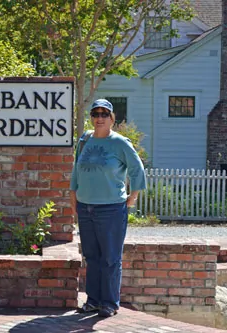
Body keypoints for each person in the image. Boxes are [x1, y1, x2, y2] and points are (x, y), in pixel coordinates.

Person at [70, 99, 146, 317]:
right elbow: (77, 167)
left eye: (104, 114)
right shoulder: (84, 140)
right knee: (92, 257)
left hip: (111, 209)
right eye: (96, 114)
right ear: (91, 117)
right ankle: (93, 301)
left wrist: (133, 195)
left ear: (112, 118)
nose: (99, 118)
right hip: (86, 207)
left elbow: (137, 169)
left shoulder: (120, 143)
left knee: (110, 258)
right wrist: (72, 193)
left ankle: (110, 303)